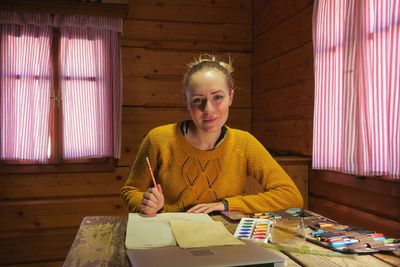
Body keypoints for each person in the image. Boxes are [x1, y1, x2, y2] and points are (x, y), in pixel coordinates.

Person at [121, 54, 303, 215]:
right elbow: (131, 190)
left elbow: (291, 196)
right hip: (167, 233)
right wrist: (145, 204)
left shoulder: (244, 142)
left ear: (231, 97)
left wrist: (226, 204)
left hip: (223, 237)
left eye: (218, 97)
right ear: (187, 101)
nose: (208, 110)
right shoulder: (158, 139)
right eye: (198, 100)